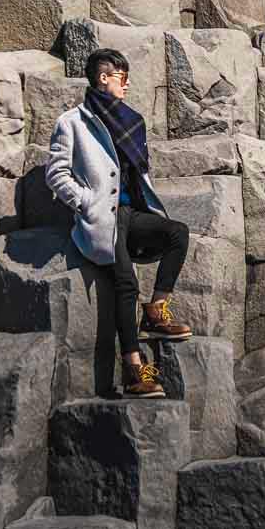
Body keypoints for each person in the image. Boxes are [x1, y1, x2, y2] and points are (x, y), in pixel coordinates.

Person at [44, 47, 192, 398]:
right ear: (103, 78)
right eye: (122, 78)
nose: (126, 85)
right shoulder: (72, 122)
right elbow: (56, 173)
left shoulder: (130, 120)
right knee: (125, 283)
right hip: (102, 217)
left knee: (177, 234)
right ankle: (133, 371)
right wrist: (85, 202)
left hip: (131, 213)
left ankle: (156, 311)